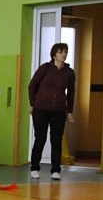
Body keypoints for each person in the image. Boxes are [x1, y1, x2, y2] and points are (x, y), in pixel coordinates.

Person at [28, 42, 75, 180]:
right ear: (54, 54)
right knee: (40, 138)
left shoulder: (69, 72)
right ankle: (35, 167)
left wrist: (70, 111)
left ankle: (55, 170)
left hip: (59, 110)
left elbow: (71, 92)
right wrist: (33, 103)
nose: (63, 54)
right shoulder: (45, 68)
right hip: (41, 108)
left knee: (56, 140)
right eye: (60, 52)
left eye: (65, 52)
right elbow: (32, 85)